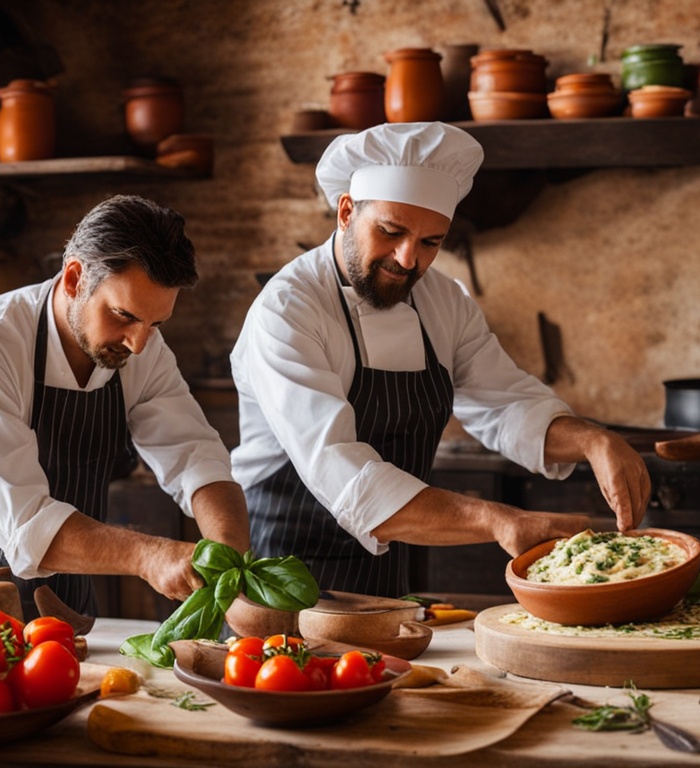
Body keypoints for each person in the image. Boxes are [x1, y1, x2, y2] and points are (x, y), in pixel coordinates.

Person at [230, 122, 650, 597]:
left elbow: (506, 404)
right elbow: (342, 471)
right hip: (283, 582)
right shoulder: (288, 309)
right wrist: (497, 520)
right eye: (390, 232)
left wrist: (594, 441)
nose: (408, 260)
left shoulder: (443, 301)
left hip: (389, 578)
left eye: (431, 242)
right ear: (346, 211)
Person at [0, 194, 250, 620]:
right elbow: (25, 525)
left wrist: (229, 555)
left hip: (62, 612)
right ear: (74, 278)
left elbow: (195, 455)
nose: (137, 343)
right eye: (123, 315)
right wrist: (150, 555)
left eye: (155, 324)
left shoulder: (142, 348)